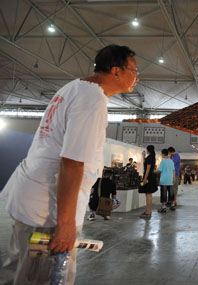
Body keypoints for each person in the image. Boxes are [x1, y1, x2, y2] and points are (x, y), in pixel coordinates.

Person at [0, 44, 138, 284]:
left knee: (18, 272)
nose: (136, 77)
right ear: (116, 71)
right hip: (47, 211)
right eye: (133, 71)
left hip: (31, 200)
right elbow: (72, 163)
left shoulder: (75, 87)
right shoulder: (92, 100)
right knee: (39, 277)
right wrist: (65, 225)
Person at [139, 145, 158, 219]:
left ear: (148, 150)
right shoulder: (151, 157)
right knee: (147, 193)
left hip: (148, 177)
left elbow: (148, 168)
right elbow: (146, 165)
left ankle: (148, 212)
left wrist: (145, 178)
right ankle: (148, 211)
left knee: (148, 194)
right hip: (149, 176)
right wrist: (143, 156)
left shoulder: (150, 157)